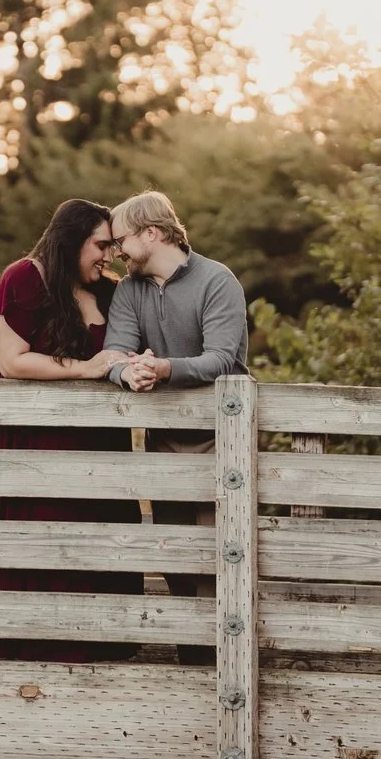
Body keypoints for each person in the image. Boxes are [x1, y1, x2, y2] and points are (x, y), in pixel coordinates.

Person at [0, 198, 144, 660]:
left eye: (112, 247)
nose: (108, 256)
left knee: (97, 531)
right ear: (71, 240)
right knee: (39, 531)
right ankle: (30, 637)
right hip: (33, 440)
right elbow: (10, 361)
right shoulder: (23, 278)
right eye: (100, 245)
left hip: (100, 443)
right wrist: (86, 369)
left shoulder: (111, 292)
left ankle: (100, 640)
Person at [101, 190, 248, 665]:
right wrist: (127, 372)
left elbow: (223, 359)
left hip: (221, 443)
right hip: (163, 443)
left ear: (152, 232)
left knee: (221, 557)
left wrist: (163, 369)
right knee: (173, 554)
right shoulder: (129, 290)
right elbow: (116, 351)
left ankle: (228, 662)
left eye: (121, 239)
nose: (116, 250)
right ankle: (193, 662)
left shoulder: (217, 280)